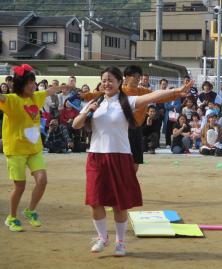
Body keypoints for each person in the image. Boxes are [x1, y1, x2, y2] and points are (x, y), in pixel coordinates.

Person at [72, 66, 193, 256]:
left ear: (120, 82)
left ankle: (120, 242)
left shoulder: (128, 101)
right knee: (95, 201)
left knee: (119, 204)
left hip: (120, 156)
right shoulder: (94, 103)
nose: (107, 83)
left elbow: (154, 96)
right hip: (96, 156)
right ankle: (102, 238)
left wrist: (177, 91)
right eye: (104, 80)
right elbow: (75, 124)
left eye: (111, 80)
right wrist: (88, 112)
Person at [0, 64, 69, 232]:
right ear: (21, 83)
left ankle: (30, 210)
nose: (34, 85)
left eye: (34, 82)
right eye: (30, 82)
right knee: (20, 186)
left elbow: (50, 91)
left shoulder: (35, 97)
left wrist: (64, 87)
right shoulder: (12, 100)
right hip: (15, 149)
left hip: (34, 148)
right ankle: (12, 217)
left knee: (42, 180)